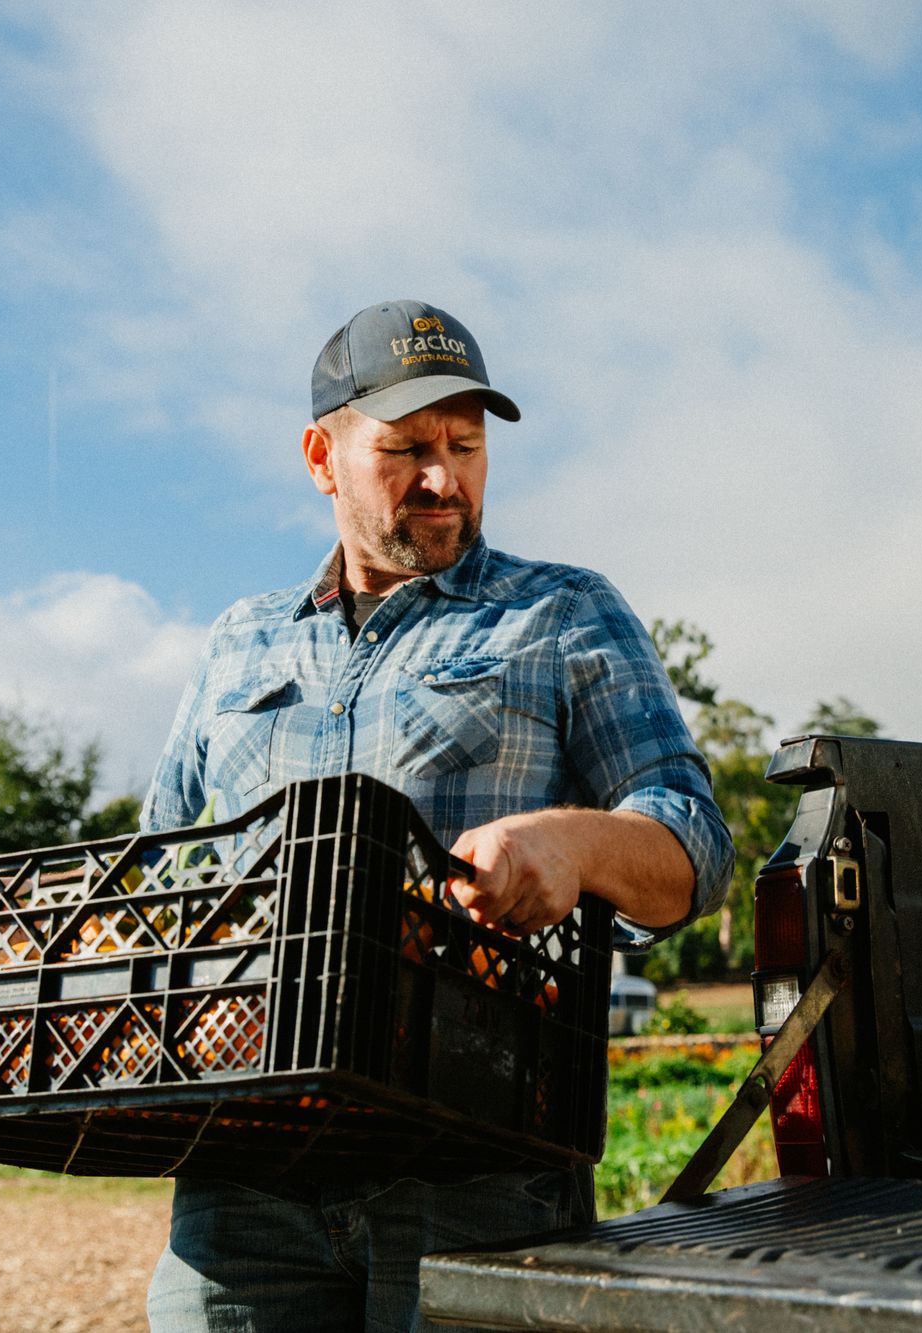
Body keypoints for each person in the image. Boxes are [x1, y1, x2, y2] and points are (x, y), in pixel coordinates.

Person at [143, 299, 733, 1332]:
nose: (441, 478)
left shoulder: (560, 613)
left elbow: (692, 842)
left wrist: (568, 842)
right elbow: (156, 882)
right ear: (321, 457)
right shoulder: (239, 642)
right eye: (407, 447)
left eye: (465, 445)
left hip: (477, 1173)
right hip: (240, 1189)